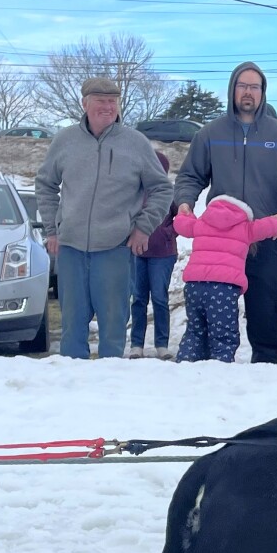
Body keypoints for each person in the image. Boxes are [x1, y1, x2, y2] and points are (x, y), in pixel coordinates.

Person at [172, 63, 277, 363]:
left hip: (265, 239)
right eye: (242, 85)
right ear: (233, 89)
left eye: (254, 87)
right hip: (219, 243)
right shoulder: (210, 133)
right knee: (210, 322)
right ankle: (205, 378)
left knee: (268, 314)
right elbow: (190, 176)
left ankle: (268, 370)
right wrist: (184, 202)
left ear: (262, 93)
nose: (248, 92)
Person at [32, 78, 171, 360]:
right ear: (85, 104)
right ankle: (73, 389)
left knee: (112, 330)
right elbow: (45, 184)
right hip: (71, 249)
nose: (107, 107)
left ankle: (108, 393)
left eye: (112, 102)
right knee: (72, 327)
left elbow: (162, 188)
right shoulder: (65, 141)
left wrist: (144, 228)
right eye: (100, 101)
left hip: (115, 249)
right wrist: (52, 230)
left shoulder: (136, 143)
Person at [171, 191, 277, 363]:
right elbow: (269, 226)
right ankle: (220, 368)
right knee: (223, 334)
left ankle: (185, 364)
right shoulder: (245, 227)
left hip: (194, 286)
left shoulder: (201, 224)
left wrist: (184, 211)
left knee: (195, 331)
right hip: (223, 289)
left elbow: (181, 224)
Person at [129, 202, 179, 358]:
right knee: (138, 299)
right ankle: (137, 344)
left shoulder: (170, 193)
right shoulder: (136, 189)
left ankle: (162, 344)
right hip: (137, 252)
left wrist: (168, 232)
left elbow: (183, 216)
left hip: (163, 254)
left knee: (159, 298)